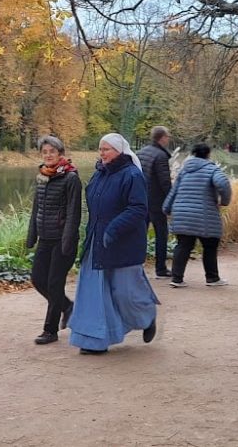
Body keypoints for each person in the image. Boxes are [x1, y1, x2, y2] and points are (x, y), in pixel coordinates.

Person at [68, 133, 159, 355]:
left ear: (120, 151)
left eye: (106, 149)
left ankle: (147, 318)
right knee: (93, 291)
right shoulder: (100, 175)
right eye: (100, 149)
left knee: (125, 292)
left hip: (123, 243)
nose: (102, 153)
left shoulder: (132, 175)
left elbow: (138, 209)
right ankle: (93, 340)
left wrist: (114, 228)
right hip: (97, 242)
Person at [25, 135, 82, 345]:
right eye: (44, 152)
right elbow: (35, 209)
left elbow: (74, 213)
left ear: (61, 154)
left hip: (63, 240)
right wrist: (32, 235)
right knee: (38, 279)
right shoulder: (42, 176)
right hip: (45, 238)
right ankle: (67, 307)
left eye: (52, 152)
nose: (48, 155)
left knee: (54, 283)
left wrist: (67, 240)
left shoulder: (71, 178)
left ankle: (50, 330)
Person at [162, 143, 233, 288]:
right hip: (204, 215)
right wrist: (224, 201)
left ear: (193, 154)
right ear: (208, 154)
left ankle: (177, 279)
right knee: (210, 245)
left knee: (183, 245)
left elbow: (174, 191)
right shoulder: (212, 169)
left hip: (181, 214)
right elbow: (223, 183)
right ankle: (212, 278)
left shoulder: (184, 171)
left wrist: (166, 208)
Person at [138, 126, 173, 278]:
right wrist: (172, 201)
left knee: (140, 234)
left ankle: (136, 267)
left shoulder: (141, 152)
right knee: (161, 235)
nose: (169, 138)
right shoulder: (160, 156)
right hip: (156, 202)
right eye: (167, 136)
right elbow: (165, 182)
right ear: (162, 138)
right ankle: (161, 269)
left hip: (141, 200)